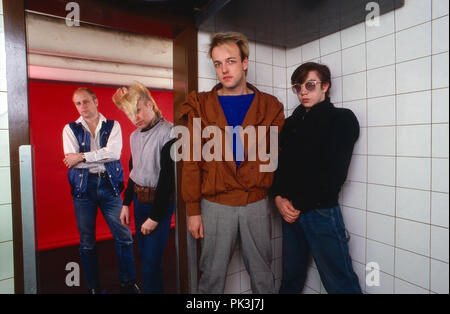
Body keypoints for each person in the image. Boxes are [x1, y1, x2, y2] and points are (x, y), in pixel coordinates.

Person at [180, 32, 285, 294]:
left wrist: (280, 195)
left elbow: (275, 159)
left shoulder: (271, 106)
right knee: (211, 279)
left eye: (230, 61)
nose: (224, 70)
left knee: (263, 276)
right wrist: (193, 209)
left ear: (245, 62)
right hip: (215, 204)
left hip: (256, 203)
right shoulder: (200, 105)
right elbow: (191, 160)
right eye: (217, 64)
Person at [271, 62, 362, 294]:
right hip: (290, 212)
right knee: (290, 280)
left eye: (310, 85)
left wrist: (296, 203)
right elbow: (279, 168)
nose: (303, 91)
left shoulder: (341, 119)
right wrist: (278, 198)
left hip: (321, 213)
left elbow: (334, 176)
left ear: (325, 87)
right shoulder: (290, 124)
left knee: (340, 283)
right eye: (298, 86)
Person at [62, 87, 139, 294]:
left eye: (86, 101)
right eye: (78, 103)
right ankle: (94, 288)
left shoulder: (113, 126)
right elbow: (71, 162)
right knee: (87, 242)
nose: (82, 107)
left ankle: (128, 283)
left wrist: (83, 156)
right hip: (83, 188)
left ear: (96, 101)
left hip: (109, 185)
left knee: (124, 237)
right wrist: (92, 157)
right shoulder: (69, 129)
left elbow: (114, 153)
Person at [113, 82, 175, 294]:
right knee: (146, 262)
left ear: (149, 104)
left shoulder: (170, 132)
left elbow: (168, 179)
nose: (134, 118)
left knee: (151, 264)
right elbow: (134, 171)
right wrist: (125, 203)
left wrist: (156, 217)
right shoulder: (134, 136)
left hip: (159, 204)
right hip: (139, 204)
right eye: (130, 114)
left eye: (137, 110)